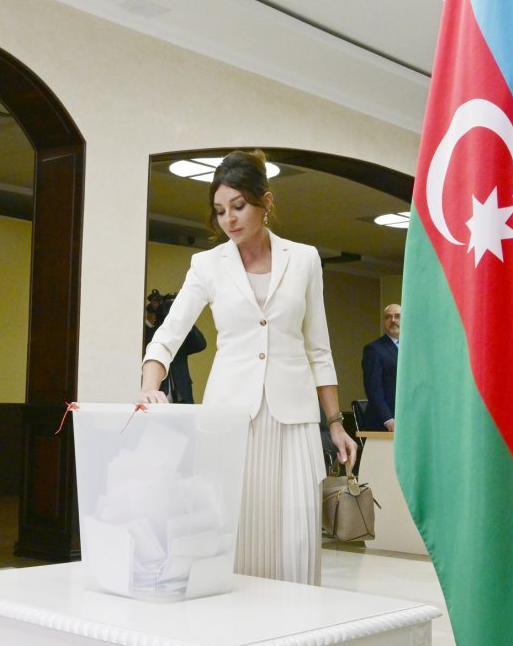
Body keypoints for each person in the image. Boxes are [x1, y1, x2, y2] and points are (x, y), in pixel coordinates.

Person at [139, 149, 357, 585]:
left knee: (295, 539)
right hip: (231, 419)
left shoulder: (304, 259)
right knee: (235, 534)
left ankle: (297, 617)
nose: (229, 219)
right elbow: (168, 335)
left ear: (265, 202)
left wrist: (335, 423)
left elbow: (319, 348)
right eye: (220, 211)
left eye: (238, 206)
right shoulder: (207, 265)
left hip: (294, 420)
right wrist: (149, 385)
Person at [154, 293, 206, 403]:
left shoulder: (179, 338)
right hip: (159, 392)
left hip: (182, 391)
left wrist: (186, 321)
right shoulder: (153, 335)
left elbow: (201, 344)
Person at [360, 303, 400, 432]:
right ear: (384, 322)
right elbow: (373, 388)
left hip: (408, 420)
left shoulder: (413, 349)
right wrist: (387, 419)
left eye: (397, 316)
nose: (393, 320)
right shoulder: (374, 349)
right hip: (383, 424)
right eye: (388, 317)